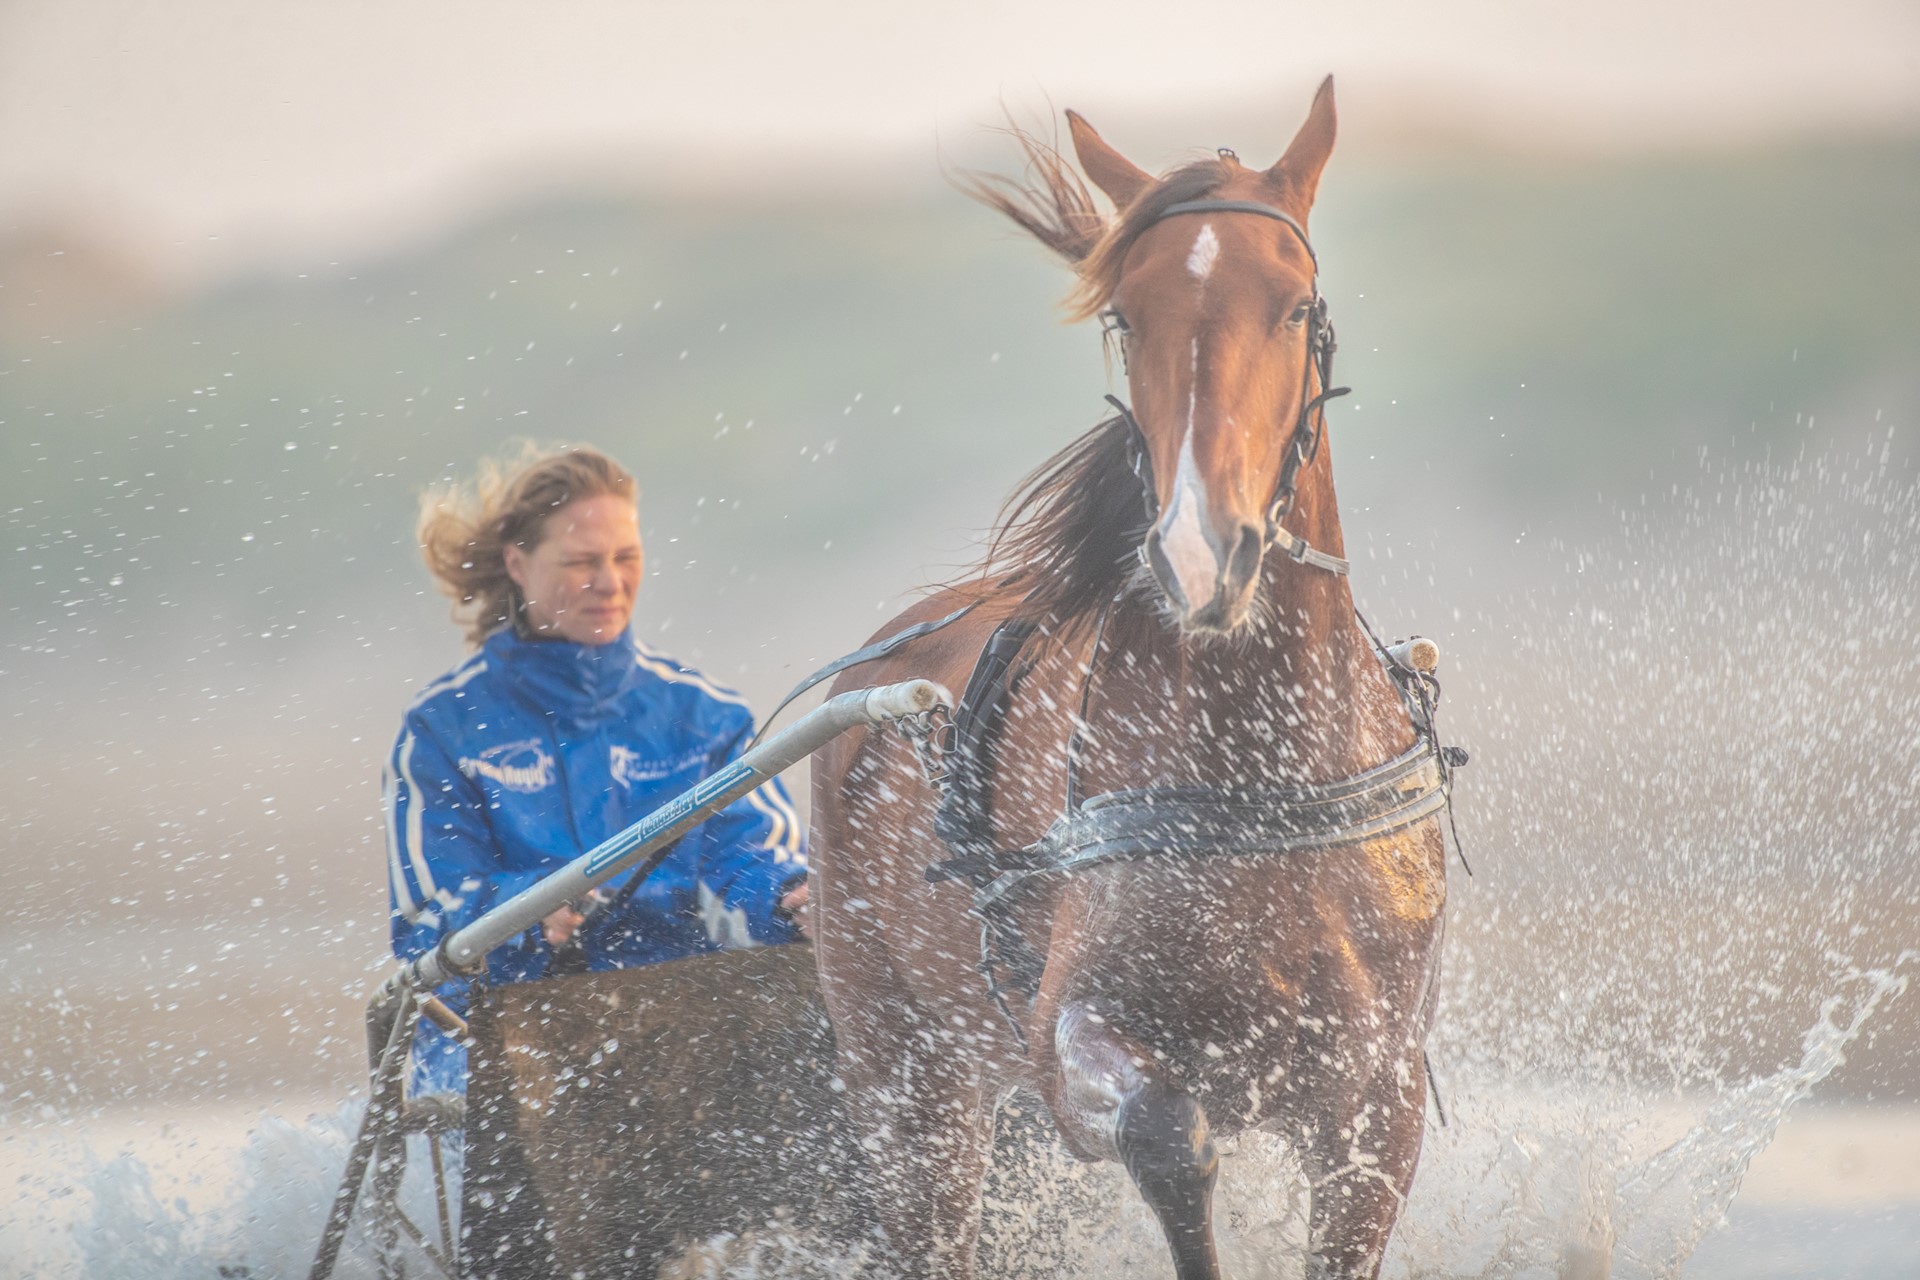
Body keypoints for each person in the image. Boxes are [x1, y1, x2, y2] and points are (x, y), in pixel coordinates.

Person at [384, 445, 808, 1093]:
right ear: (517, 566)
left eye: (625, 558)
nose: (610, 583)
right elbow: (424, 928)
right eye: (581, 562)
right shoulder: (442, 728)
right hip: (500, 1039)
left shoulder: (707, 716)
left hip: (688, 1024)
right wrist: (527, 915)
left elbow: (742, 870)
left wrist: (788, 903)